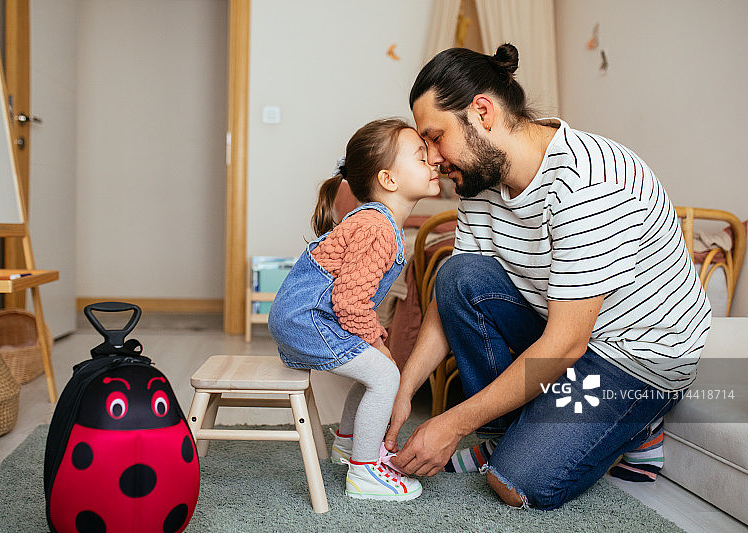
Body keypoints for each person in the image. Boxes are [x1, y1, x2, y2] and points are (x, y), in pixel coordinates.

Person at [383, 45, 711, 510]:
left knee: (516, 483)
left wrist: (452, 423)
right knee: (456, 275)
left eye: (436, 137)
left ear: (483, 111)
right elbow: (455, 296)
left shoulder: (586, 181)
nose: (433, 158)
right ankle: (509, 436)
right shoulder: (481, 181)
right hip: (570, 332)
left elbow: (566, 344)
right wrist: (403, 388)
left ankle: (639, 426)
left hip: (633, 360)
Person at [268, 118, 442, 501]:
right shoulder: (377, 227)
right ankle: (364, 474)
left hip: (308, 316)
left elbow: (352, 298)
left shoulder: (379, 223)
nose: (435, 162)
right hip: (307, 319)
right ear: (389, 179)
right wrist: (377, 344)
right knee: (384, 374)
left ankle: (349, 446)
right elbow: (348, 301)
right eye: (421, 156)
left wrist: (374, 337)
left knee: (375, 372)